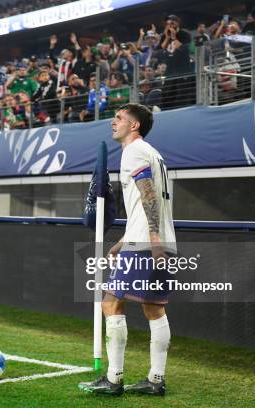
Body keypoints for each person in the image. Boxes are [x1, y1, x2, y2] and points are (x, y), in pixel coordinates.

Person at [79, 103, 176, 397]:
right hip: (157, 240)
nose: (113, 122)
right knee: (154, 309)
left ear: (134, 125)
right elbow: (149, 200)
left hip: (148, 242)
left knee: (110, 304)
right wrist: (127, 238)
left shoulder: (133, 151)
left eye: (119, 118)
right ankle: (156, 380)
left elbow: (147, 192)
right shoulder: (153, 153)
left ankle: (113, 379)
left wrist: (151, 236)